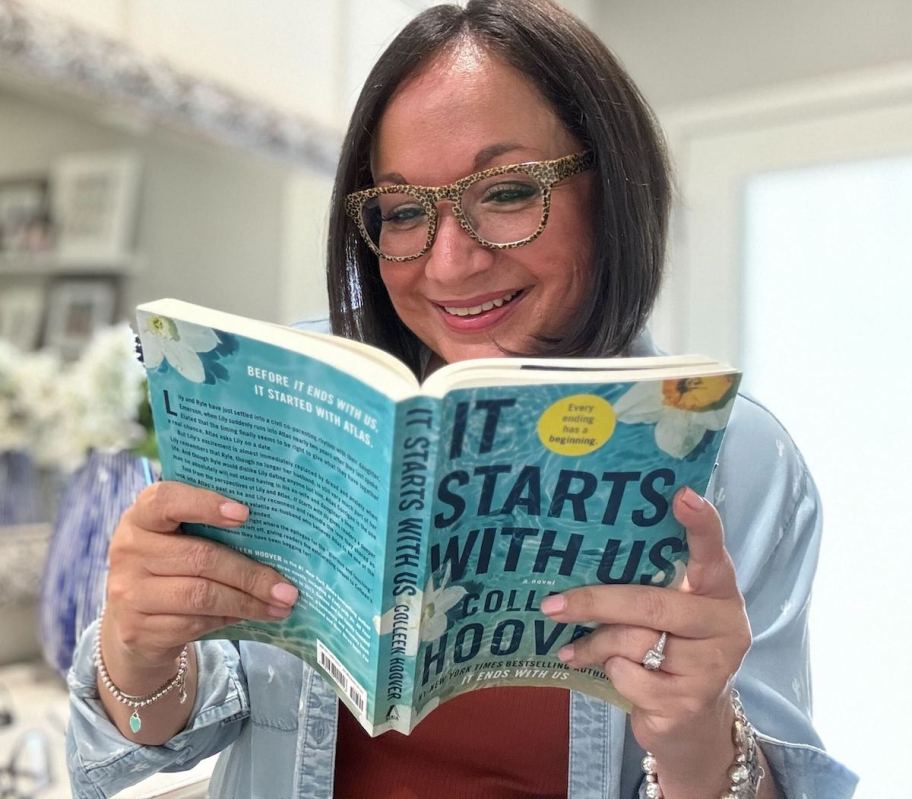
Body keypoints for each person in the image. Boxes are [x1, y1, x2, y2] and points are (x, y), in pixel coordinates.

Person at [66, 1, 859, 797]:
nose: (449, 264)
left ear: (611, 190)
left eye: (509, 192)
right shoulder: (283, 396)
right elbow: (141, 746)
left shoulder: (737, 461)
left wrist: (697, 737)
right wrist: (137, 651)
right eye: (404, 211)